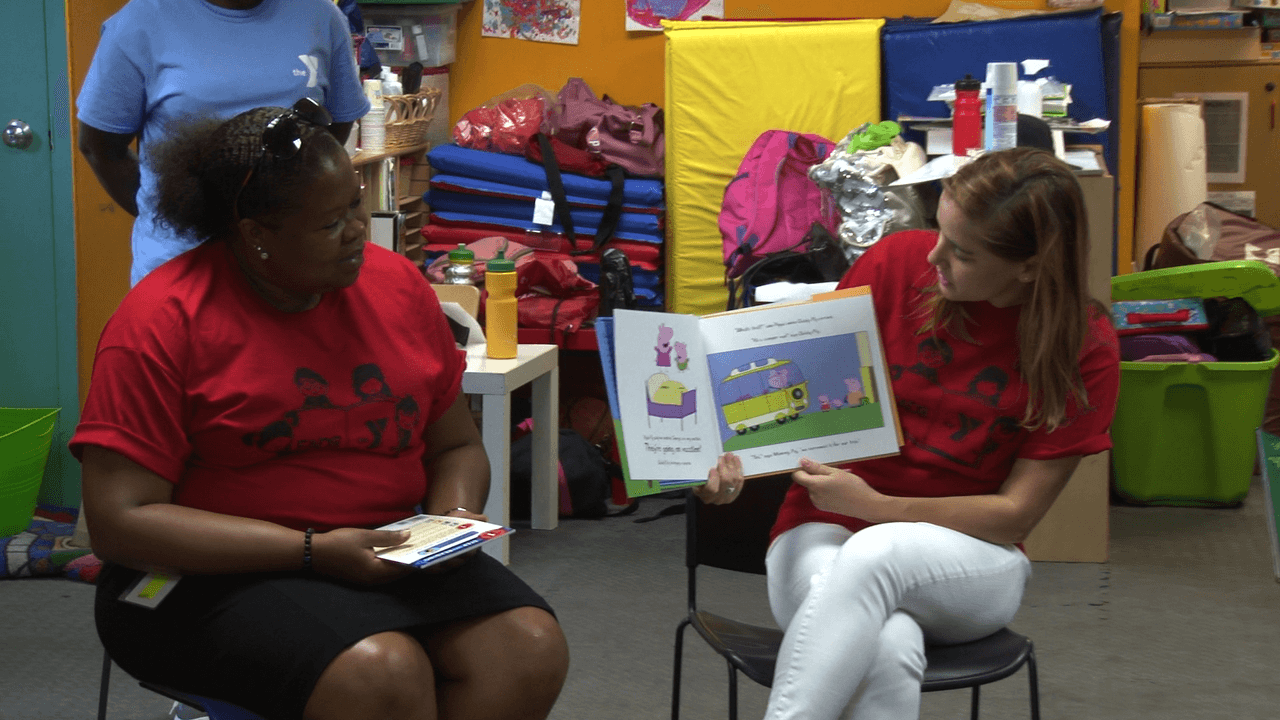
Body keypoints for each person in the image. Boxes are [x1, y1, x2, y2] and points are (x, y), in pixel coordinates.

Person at [70, 103, 569, 720]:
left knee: (528, 649)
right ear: (256, 234)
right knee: (380, 672)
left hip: (379, 551)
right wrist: (309, 549)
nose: (359, 231)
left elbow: (455, 447)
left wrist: (453, 517)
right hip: (202, 576)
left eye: (356, 205)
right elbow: (121, 524)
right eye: (332, 222)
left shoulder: (396, 286)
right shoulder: (162, 322)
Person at [696, 147, 1120, 720]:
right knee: (890, 645)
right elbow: (797, 414)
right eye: (939, 231)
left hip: (970, 561)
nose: (936, 256)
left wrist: (878, 507)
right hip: (818, 534)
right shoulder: (896, 263)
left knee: (877, 550)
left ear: (1029, 265)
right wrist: (727, 475)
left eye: (963, 252)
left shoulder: (1083, 344)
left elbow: (1016, 515)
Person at [76, 0, 371, 287]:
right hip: (183, 264)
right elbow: (100, 147)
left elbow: (333, 129)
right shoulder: (140, 22)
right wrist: (177, 216)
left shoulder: (321, 16)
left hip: (293, 262)